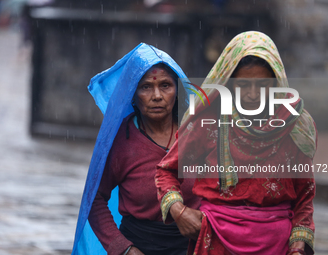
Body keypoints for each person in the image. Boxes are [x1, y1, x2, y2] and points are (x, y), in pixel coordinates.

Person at [155, 31, 317, 255]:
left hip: (277, 245)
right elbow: (166, 171)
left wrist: (299, 244)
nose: (252, 94)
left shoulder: (294, 125)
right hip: (216, 241)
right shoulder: (208, 121)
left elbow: (305, 194)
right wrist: (179, 211)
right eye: (242, 85)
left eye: (263, 85)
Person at [71, 43, 201, 255]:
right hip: (139, 246)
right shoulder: (121, 140)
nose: (157, 96)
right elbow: (94, 199)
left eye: (166, 86)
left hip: (193, 246)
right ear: (132, 95)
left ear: (178, 91)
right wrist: (124, 249)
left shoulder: (197, 134)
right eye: (146, 87)